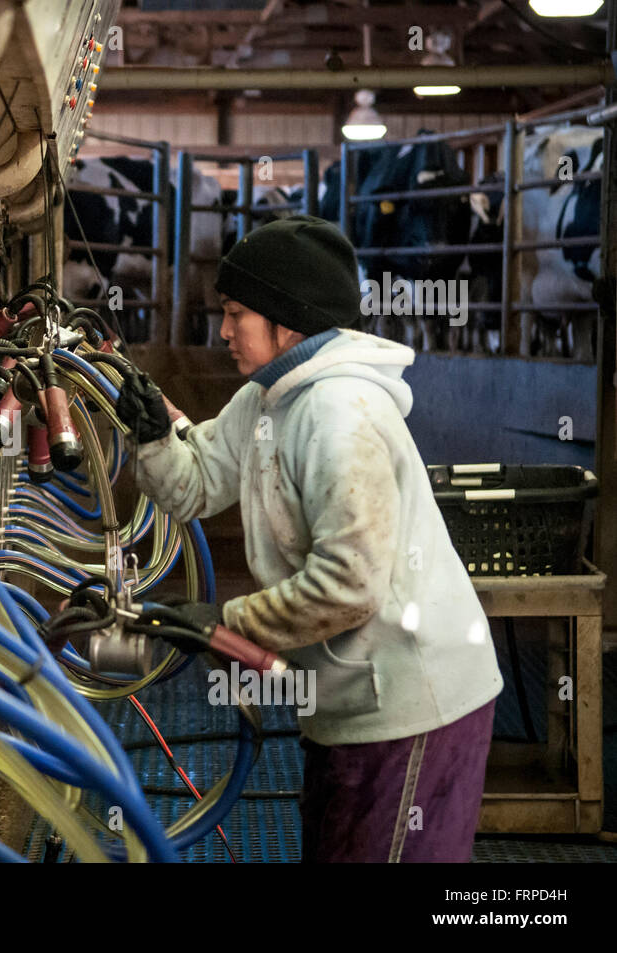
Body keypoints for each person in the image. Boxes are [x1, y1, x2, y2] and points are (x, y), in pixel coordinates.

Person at [114, 215, 503, 863]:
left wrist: (228, 621)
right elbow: (198, 485)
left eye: (237, 313)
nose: (225, 330)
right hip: (349, 698)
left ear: (286, 323)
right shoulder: (268, 399)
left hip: (413, 705)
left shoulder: (338, 415)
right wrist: (153, 438)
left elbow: (350, 585)